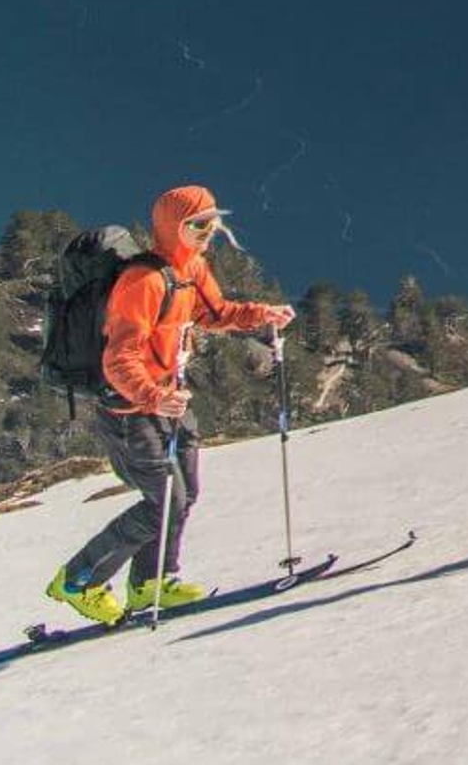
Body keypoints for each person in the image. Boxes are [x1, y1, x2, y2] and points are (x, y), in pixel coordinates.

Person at [45, 185, 292, 627]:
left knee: (184, 495)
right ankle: (79, 579)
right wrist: (152, 395)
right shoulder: (143, 281)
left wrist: (261, 314)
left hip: (168, 398)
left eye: (213, 221)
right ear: (171, 227)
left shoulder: (191, 269)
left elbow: (213, 313)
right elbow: (118, 358)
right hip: (130, 408)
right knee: (163, 502)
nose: (209, 231)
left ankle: (151, 584)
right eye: (198, 224)